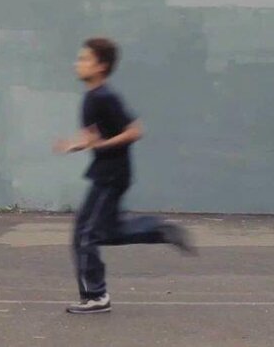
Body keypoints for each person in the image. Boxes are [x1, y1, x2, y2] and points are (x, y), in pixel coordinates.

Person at [55, 37, 195, 314]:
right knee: (94, 232)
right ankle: (157, 230)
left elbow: (135, 131)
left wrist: (102, 145)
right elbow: (93, 137)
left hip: (113, 175)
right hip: (103, 174)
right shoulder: (91, 98)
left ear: (101, 66)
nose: (77, 63)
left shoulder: (106, 97)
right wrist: (75, 144)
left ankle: (96, 297)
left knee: (88, 235)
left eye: (84, 59)